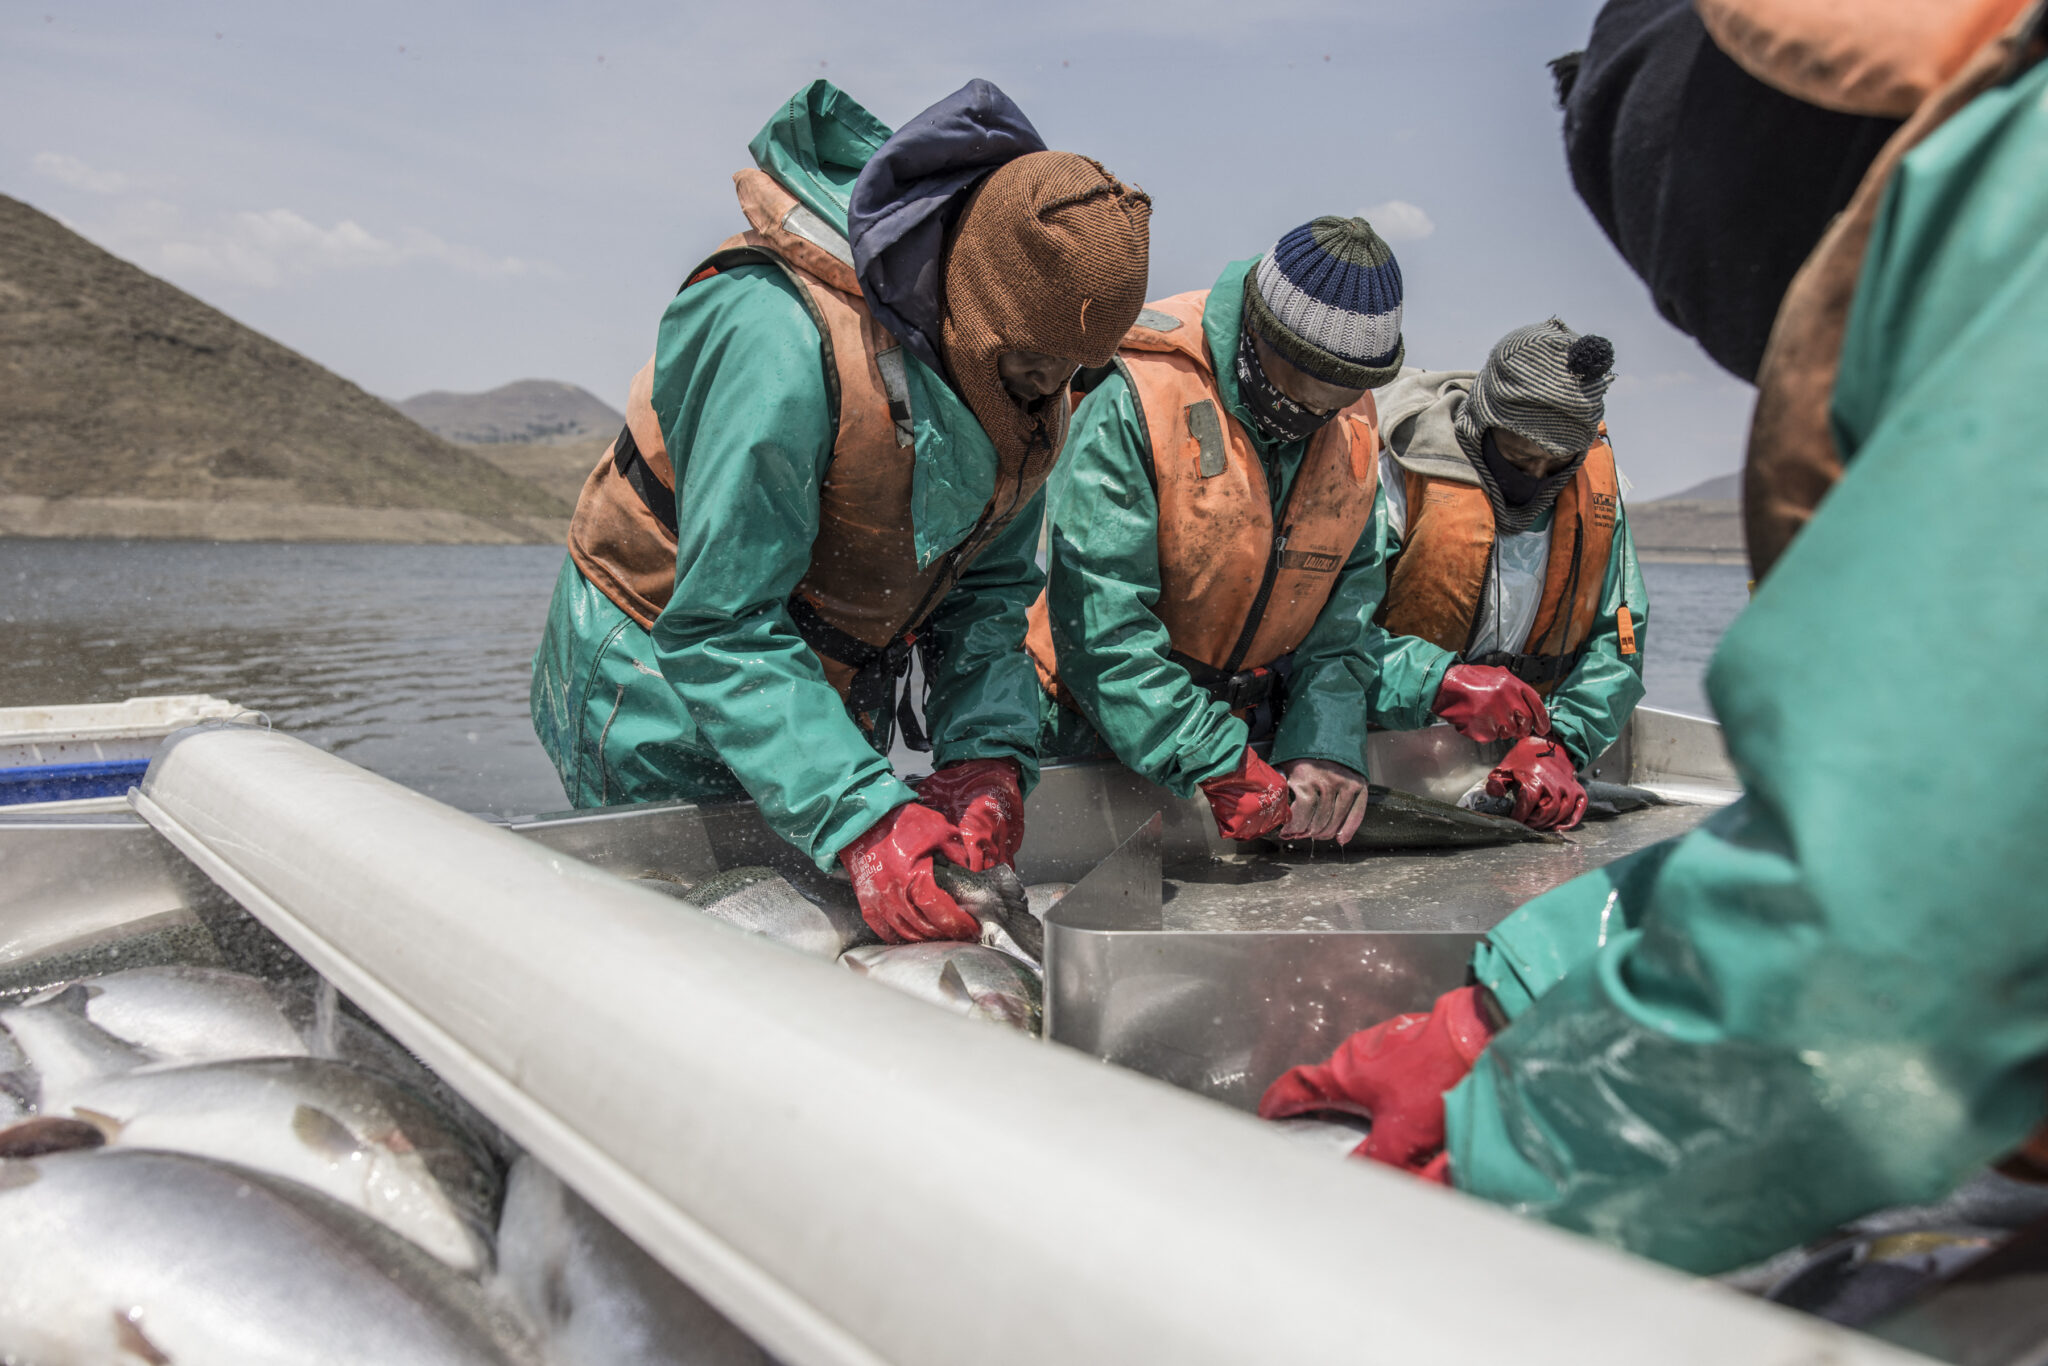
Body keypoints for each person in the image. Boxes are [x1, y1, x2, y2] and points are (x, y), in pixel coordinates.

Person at [1261, 0, 2048, 1277]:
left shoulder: (2019, 228)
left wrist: (1529, 1128)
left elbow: (1908, 902)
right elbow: (1335, 633)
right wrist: (1513, 993)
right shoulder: (1393, 470)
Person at [529, 79, 1151, 944]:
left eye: (1078, 372)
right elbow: (721, 624)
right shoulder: (774, 334)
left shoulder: (1034, 386)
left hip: (817, 680)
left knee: (811, 928)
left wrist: (986, 755)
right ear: (969, 310)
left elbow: (987, 593)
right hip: (661, 678)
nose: (1054, 396)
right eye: (1033, 368)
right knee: (683, 942)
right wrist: (865, 818)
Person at [1023, 217, 1419, 846]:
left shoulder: (1353, 423)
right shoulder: (1138, 392)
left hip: (1249, 750)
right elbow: (1101, 629)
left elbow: (1343, 628)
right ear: (1260, 335)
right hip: (1084, 735)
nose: (1314, 416)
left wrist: (1323, 745)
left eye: (1338, 399)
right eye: (1300, 393)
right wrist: (1213, 758)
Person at [1366, 323, 1648, 831]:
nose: (1536, 476)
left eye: (1556, 463)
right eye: (1519, 457)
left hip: (1530, 755)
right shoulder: (1396, 475)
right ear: (1483, 424)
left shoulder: (1602, 496)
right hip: (1387, 747)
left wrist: (1561, 746)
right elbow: (1331, 635)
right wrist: (1436, 681)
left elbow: (1618, 644)